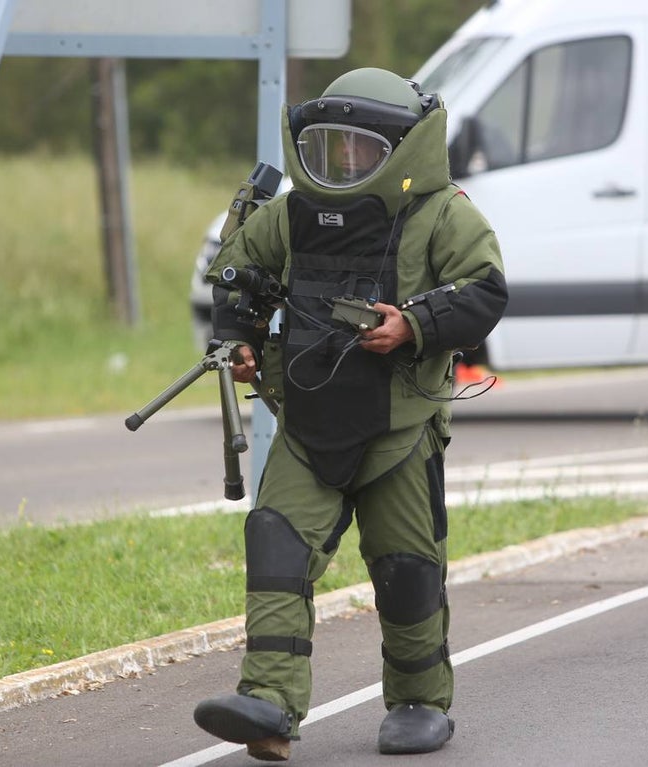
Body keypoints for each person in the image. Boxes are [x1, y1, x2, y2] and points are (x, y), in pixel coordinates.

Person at [192, 67, 508, 761]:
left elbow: (485, 292)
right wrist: (238, 344)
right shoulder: (290, 212)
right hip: (308, 423)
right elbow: (237, 279)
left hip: (399, 428)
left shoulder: (443, 213)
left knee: (405, 569)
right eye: (330, 147)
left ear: (403, 149)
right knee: (276, 544)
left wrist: (415, 324)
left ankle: (420, 700)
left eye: (361, 148)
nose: (344, 162)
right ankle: (268, 703)